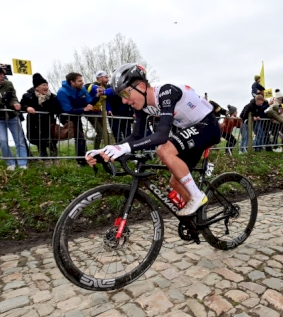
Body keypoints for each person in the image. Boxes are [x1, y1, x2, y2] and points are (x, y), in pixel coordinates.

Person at [86, 63, 221, 217]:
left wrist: (125, 148)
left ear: (142, 87)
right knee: (175, 182)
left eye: (125, 95)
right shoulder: (142, 106)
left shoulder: (166, 92)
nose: (124, 101)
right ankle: (198, 219)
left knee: (164, 150)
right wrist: (107, 150)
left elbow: (162, 135)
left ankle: (197, 196)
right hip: (191, 130)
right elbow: (136, 136)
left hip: (208, 126)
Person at [56, 72, 101, 166]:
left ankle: (83, 160)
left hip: (77, 115)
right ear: (72, 82)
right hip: (67, 116)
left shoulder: (82, 89)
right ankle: (81, 161)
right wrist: (83, 109)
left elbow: (89, 101)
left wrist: (97, 96)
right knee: (80, 137)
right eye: (79, 81)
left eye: (82, 80)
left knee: (80, 137)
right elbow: (67, 109)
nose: (82, 82)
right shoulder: (62, 92)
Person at [20, 73, 61, 158]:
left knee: (52, 143)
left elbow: (58, 107)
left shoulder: (52, 97)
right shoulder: (28, 96)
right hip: (35, 125)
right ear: (37, 87)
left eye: (47, 85)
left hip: (49, 123)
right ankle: (45, 161)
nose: (46, 87)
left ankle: (55, 160)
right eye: (43, 85)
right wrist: (27, 108)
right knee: (40, 143)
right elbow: (21, 105)